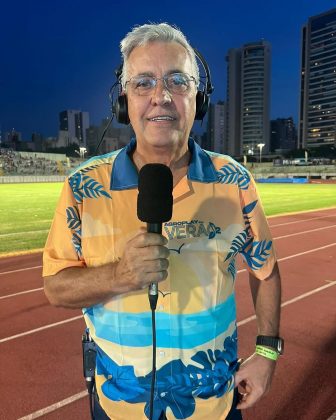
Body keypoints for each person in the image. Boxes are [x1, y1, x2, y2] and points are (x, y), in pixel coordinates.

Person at [43, 22, 283, 420]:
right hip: (117, 408)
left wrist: (267, 352)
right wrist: (120, 275)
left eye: (178, 80)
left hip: (216, 405)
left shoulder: (234, 181)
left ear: (198, 98)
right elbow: (56, 288)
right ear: (122, 101)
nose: (161, 96)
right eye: (143, 83)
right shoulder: (83, 187)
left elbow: (266, 271)